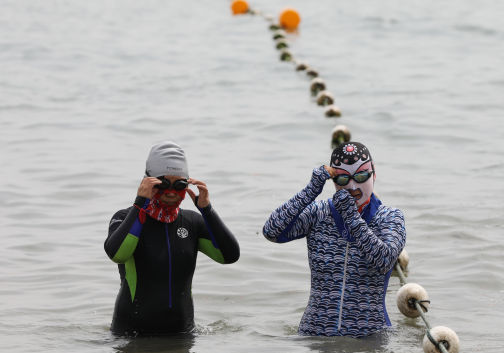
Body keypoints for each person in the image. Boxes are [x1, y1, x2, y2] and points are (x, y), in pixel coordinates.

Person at [263, 142, 406, 337]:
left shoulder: (389, 217)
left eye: (362, 176)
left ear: (374, 175)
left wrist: (351, 216)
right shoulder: (319, 213)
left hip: (369, 337)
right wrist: (310, 191)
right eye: (343, 178)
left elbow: (383, 260)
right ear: (333, 180)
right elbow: (271, 231)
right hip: (315, 334)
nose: (353, 186)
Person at [104, 141, 240, 335]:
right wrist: (139, 204)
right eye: (163, 183)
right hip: (132, 337)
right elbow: (117, 254)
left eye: (179, 185)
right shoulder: (126, 219)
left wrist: (207, 211)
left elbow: (229, 256)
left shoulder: (192, 223)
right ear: (148, 182)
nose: (170, 191)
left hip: (182, 337)